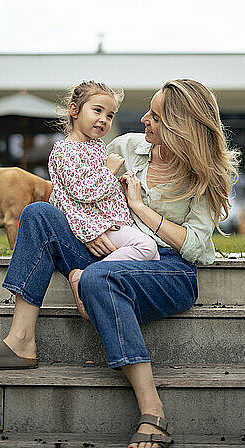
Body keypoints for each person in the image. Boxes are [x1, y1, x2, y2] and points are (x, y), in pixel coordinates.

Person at [0, 79, 239, 448]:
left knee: (97, 278)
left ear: (179, 127)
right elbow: (75, 188)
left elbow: (199, 248)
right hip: (107, 247)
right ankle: (21, 341)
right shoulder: (125, 148)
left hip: (166, 268)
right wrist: (84, 228)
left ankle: (153, 410)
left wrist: (141, 209)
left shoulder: (203, 175)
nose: (143, 120)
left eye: (154, 116)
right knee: (39, 213)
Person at [48, 81, 160, 319]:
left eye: (110, 115)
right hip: (95, 224)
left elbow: (99, 189)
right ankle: (86, 277)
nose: (104, 120)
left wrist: (119, 184)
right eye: (97, 110)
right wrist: (108, 172)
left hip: (110, 220)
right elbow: (81, 190)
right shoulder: (64, 151)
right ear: (74, 110)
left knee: (155, 256)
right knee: (147, 247)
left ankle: (110, 290)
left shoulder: (97, 146)